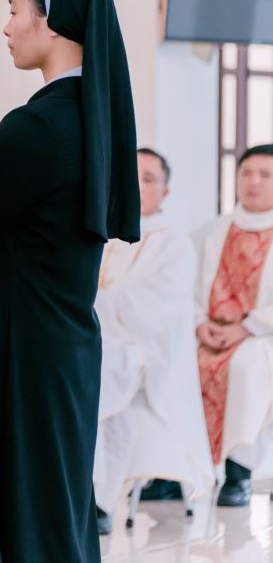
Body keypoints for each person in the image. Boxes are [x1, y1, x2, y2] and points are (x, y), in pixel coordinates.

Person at [0, 0, 140, 562]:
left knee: (28, 513)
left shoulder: (40, 126)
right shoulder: (88, 115)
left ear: (53, 19)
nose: (6, 26)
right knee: (54, 507)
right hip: (62, 343)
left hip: (21, 348)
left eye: (15, 10)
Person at [91, 148, 213, 533]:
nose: (138, 186)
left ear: (165, 191)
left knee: (102, 370)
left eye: (148, 179)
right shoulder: (97, 232)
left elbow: (160, 310)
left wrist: (98, 303)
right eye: (131, 176)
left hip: (141, 349)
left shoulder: (172, 242)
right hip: (94, 337)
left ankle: (97, 498)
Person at [195, 143, 273, 506]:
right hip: (208, 332)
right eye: (246, 173)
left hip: (262, 334)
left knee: (247, 365)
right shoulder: (210, 232)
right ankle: (173, 475)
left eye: (265, 175)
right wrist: (199, 323)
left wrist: (247, 328)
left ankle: (238, 473)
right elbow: (183, 288)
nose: (253, 182)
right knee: (176, 364)